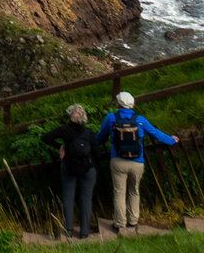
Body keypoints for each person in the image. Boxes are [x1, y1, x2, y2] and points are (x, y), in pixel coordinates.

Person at [97, 91, 177, 231]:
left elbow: (100, 137)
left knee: (119, 192)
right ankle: (133, 221)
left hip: (118, 161)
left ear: (118, 104)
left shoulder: (111, 118)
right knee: (134, 191)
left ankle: (120, 223)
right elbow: (156, 134)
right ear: (133, 105)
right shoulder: (140, 120)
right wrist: (172, 140)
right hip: (137, 161)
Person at [42, 103, 100, 238]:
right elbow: (97, 153)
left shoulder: (64, 130)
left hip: (69, 167)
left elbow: (45, 137)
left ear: (70, 116)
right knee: (86, 199)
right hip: (87, 169)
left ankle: (69, 228)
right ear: (84, 117)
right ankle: (84, 231)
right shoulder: (89, 133)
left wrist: (60, 146)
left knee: (68, 197)